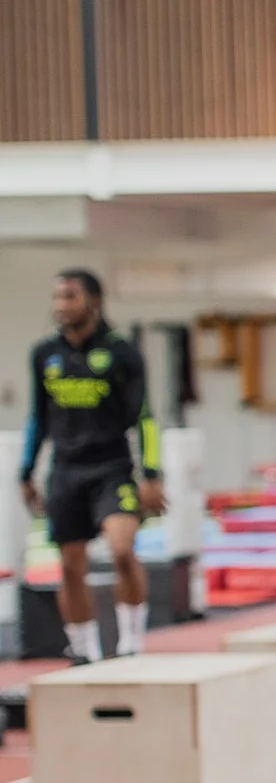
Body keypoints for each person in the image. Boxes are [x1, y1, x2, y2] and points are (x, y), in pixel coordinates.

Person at [19, 269, 161, 662]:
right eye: (57, 297)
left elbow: (146, 417)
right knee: (69, 565)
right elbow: (37, 417)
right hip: (65, 471)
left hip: (112, 468)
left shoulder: (121, 354)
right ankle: (85, 652)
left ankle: (131, 643)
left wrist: (152, 473)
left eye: (70, 296)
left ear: (92, 301)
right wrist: (25, 471)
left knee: (121, 550)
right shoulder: (44, 354)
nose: (61, 306)